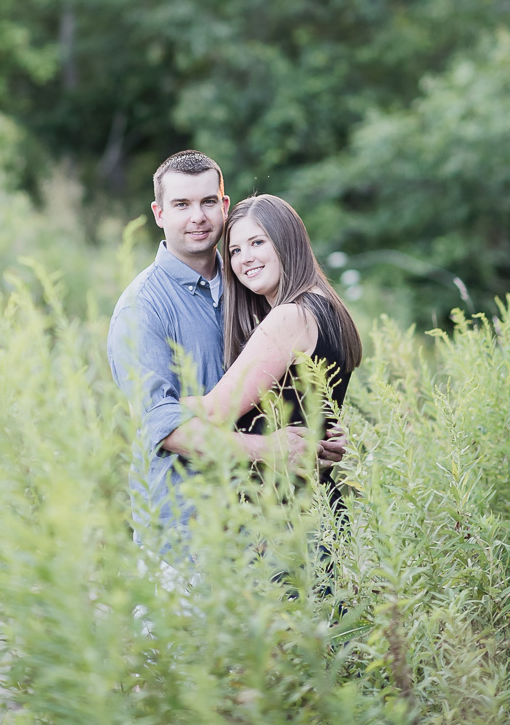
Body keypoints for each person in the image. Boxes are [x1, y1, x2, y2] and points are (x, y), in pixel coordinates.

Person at [108, 151, 347, 546]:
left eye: (206, 202)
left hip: (266, 527)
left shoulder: (254, 288)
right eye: (181, 205)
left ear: (224, 206)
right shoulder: (142, 309)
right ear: (159, 213)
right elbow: (163, 429)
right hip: (187, 529)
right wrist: (268, 449)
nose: (197, 217)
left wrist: (319, 426)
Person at [180, 195, 362, 458]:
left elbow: (216, 410)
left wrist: (151, 409)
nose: (246, 258)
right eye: (235, 251)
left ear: (286, 243)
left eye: (257, 242)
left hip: (280, 495)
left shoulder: (290, 317)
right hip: (312, 492)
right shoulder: (327, 308)